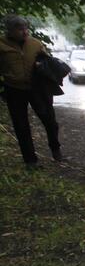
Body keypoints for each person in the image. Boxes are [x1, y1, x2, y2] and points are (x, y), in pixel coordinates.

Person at [0, 15, 63, 167]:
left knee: (50, 120)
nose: (25, 32)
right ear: (10, 31)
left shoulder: (35, 43)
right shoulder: (1, 44)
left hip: (37, 89)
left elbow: (47, 61)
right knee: (21, 125)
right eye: (20, 29)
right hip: (14, 89)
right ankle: (30, 161)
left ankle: (56, 149)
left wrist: (42, 66)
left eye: (26, 28)